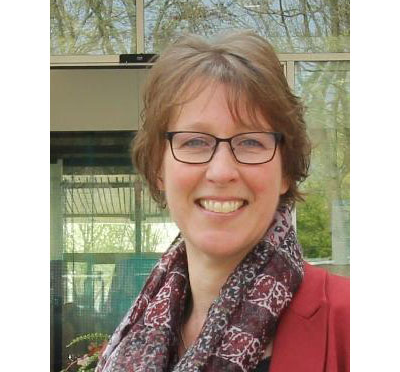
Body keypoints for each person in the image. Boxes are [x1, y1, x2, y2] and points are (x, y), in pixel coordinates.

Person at [96, 31, 349, 372]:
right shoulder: (137, 334)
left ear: (285, 171)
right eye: (195, 142)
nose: (221, 172)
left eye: (251, 142)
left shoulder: (354, 324)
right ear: (158, 168)